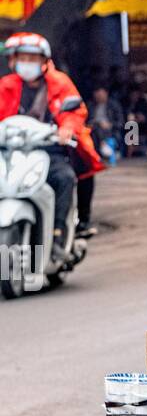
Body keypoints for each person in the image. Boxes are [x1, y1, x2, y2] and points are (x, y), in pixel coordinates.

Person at [0, 32, 103, 259]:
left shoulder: (60, 83)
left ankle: (58, 236)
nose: (27, 64)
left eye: (32, 58)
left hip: (48, 151)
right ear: (13, 61)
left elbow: (74, 112)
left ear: (44, 61)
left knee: (64, 178)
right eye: (22, 58)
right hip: (11, 152)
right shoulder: (6, 85)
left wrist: (66, 129)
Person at [88, 85, 124, 163]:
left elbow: (120, 122)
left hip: (110, 129)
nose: (98, 97)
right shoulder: (91, 105)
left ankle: (103, 146)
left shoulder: (114, 105)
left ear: (106, 94)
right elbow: (87, 120)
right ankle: (103, 146)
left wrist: (110, 124)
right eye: (97, 95)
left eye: (100, 95)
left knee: (100, 129)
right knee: (96, 128)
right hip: (94, 128)